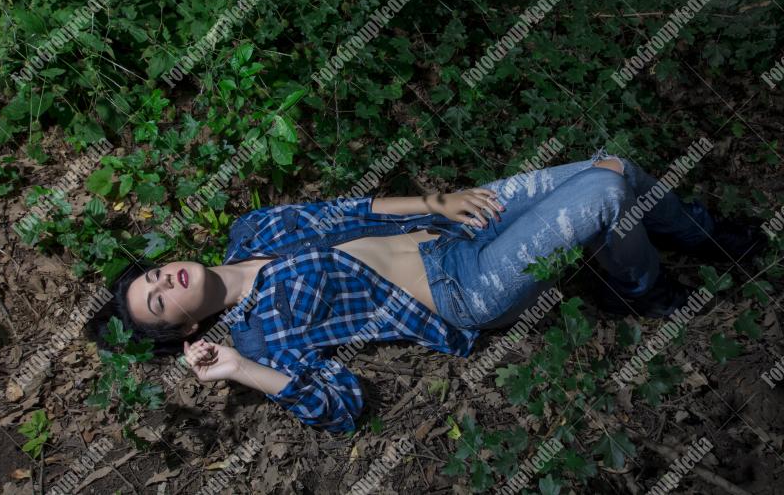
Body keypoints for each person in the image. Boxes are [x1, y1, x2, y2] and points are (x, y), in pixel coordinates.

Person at [89, 150, 764, 432]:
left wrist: (436, 197)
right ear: (184, 331)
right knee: (607, 193)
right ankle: (642, 288)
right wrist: (239, 368)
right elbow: (343, 405)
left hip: (448, 228)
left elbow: (355, 209)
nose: (163, 280)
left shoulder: (252, 227)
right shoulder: (262, 333)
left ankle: (707, 237)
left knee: (614, 163)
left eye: (151, 274)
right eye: (157, 300)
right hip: (464, 286)